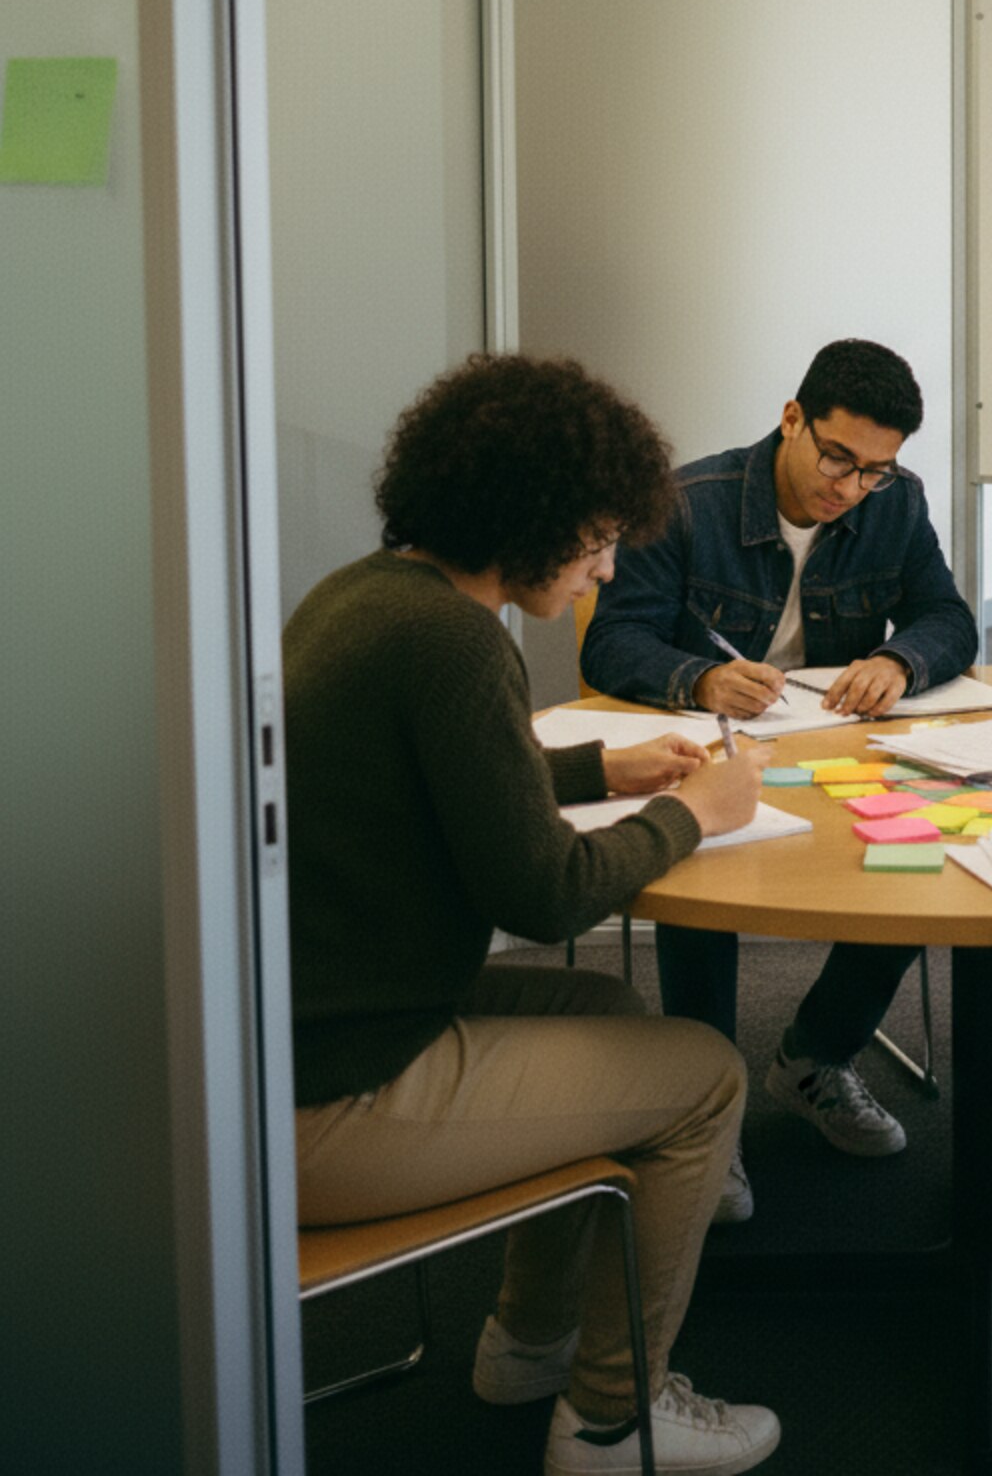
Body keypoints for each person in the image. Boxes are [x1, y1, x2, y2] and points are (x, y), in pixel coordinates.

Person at [287, 352, 779, 1476]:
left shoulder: (369, 594)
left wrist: (608, 763)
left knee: (599, 1001)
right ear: (527, 515)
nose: (609, 563)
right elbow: (543, 892)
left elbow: (444, 783)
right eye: (598, 535)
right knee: (702, 1075)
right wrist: (698, 808)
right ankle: (613, 1419)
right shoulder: (457, 642)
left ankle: (529, 1343)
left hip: (317, 1018)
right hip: (336, 1090)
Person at [582, 338, 975, 1209]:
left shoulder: (895, 504)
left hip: (834, 745)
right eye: (838, 457)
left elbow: (948, 616)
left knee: (920, 859)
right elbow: (611, 639)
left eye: (874, 470)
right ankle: (705, 1112)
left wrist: (904, 662)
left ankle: (816, 1058)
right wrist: (700, 677)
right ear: (792, 418)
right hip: (708, 746)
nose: (850, 486)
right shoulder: (687, 503)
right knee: (701, 868)